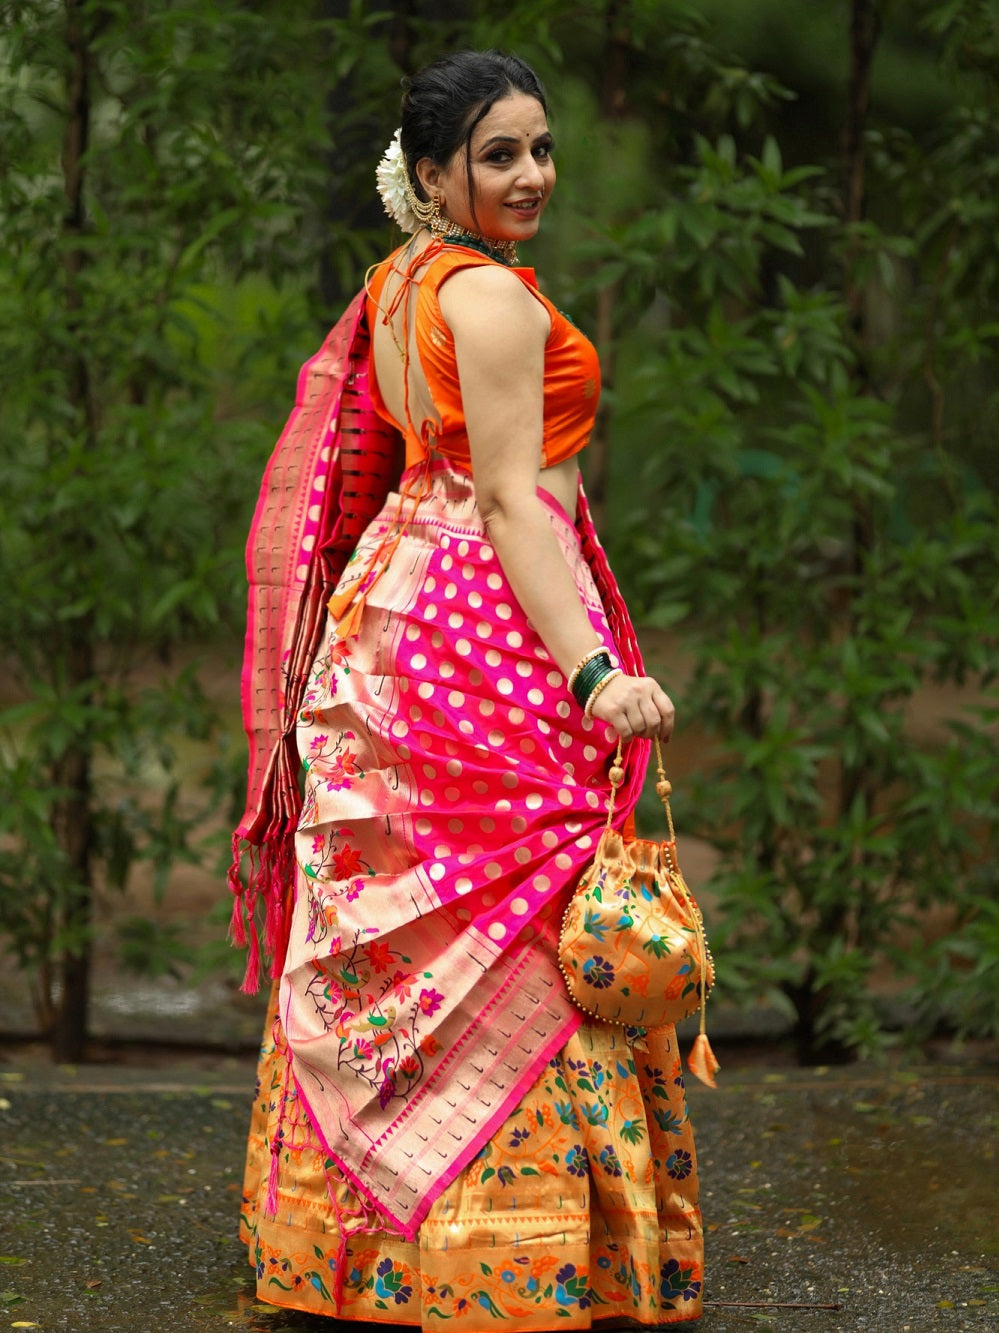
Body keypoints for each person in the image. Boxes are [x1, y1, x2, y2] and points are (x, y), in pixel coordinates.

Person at [232, 49, 704, 1329]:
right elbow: (506, 499)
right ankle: (529, 1256)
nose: (532, 173)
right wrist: (594, 669)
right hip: (483, 619)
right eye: (499, 154)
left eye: (541, 148)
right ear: (432, 174)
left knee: (415, 912)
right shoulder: (486, 301)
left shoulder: (397, 289)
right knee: (518, 910)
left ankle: (372, 1254)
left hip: (393, 611)